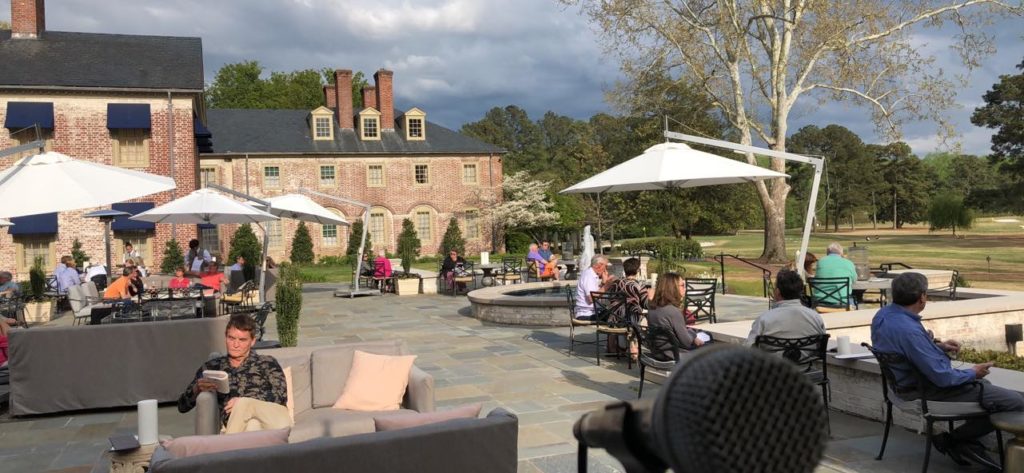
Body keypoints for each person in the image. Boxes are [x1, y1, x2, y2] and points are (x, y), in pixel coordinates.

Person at [871, 272, 1024, 469]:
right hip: (925, 393)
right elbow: (943, 378)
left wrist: (938, 347)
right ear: (922, 297)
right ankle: (952, 440)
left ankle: (961, 442)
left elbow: (906, 351)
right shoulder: (909, 329)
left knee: (991, 392)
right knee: (1016, 401)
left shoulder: (882, 315)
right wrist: (973, 372)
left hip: (901, 388)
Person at [177, 313, 289, 433]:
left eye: (242, 340)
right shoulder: (213, 367)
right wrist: (196, 389)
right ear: (225, 337)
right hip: (241, 426)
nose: (236, 345)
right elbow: (182, 406)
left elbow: (280, 395)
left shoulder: (267, 362)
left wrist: (244, 402)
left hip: (274, 419)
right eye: (231, 338)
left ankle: (227, 448)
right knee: (252, 426)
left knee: (244, 405)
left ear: (252, 341)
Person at [744, 270, 825, 346]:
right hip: (806, 360)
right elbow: (822, 344)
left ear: (778, 292)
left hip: (772, 361)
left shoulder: (764, 320)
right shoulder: (815, 318)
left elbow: (749, 347)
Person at [647, 272, 707, 360]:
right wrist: (693, 335)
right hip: (673, 354)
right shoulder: (673, 311)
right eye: (682, 285)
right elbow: (686, 342)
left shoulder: (652, 308)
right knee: (710, 344)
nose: (685, 288)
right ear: (673, 288)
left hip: (657, 352)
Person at [813, 242, 858, 306]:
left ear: (827, 252)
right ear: (841, 253)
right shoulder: (849, 263)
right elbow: (854, 280)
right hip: (843, 302)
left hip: (820, 301)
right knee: (856, 299)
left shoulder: (821, 262)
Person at [574, 255, 610, 320]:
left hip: (592, 311)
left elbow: (595, 293)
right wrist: (606, 285)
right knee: (616, 315)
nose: (606, 270)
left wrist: (603, 283)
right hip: (587, 314)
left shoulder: (591, 274)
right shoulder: (589, 276)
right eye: (605, 266)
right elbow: (591, 298)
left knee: (615, 312)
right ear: (599, 265)